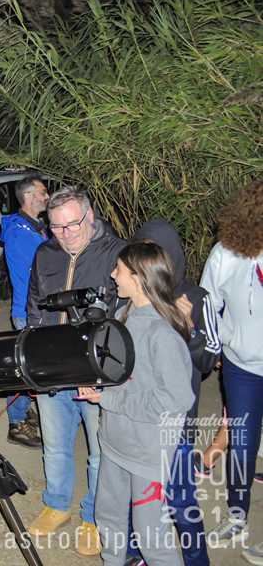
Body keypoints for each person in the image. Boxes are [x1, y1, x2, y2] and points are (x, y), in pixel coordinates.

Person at [80, 241, 195, 566]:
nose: (113, 275)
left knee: (150, 536)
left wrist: (110, 398)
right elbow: (121, 374)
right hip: (115, 441)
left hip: (148, 451)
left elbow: (176, 400)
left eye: (119, 270)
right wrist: (99, 387)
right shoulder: (122, 315)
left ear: (139, 278)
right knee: (108, 517)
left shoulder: (163, 335)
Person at [25, 185, 125, 556]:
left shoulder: (116, 253)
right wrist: (33, 363)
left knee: (100, 452)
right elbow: (34, 307)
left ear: (90, 216)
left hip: (96, 371)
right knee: (55, 445)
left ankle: (94, 517)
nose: (66, 234)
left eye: (73, 225)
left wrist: (101, 370)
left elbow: (124, 317)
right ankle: (56, 505)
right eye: (56, 227)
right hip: (53, 367)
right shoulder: (45, 251)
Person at [123, 219, 221, 566]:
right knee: (138, 497)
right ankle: (136, 556)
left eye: (156, 249)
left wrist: (190, 329)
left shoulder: (195, 297)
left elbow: (209, 359)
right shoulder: (134, 292)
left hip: (173, 423)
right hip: (136, 416)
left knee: (179, 500)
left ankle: (196, 561)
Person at [201, 182, 263, 560]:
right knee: (242, 445)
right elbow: (208, 302)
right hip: (242, 368)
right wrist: (224, 339)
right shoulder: (226, 253)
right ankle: (237, 515)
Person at [0, 174, 49, 449]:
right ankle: (17, 424)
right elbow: (50, 260)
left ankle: (23, 411)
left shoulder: (35, 227)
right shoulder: (20, 233)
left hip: (35, 308)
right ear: (28, 197)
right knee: (26, 369)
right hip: (27, 311)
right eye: (43, 192)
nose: (47, 196)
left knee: (30, 366)